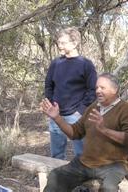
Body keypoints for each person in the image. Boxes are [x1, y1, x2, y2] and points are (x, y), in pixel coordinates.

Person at [40, 73, 128, 192]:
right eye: (97, 87)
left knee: (109, 188)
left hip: (114, 164)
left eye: (102, 88)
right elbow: (74, 132)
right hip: (86, 162)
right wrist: (57, 118)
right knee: (56, 176)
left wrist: (105, 130)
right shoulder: (93, 108)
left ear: (115, 90)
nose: (98, 91)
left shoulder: (126, 109)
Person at [44, 27, 97, 160]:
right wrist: (51, 106)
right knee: (56, 155)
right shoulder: (56, 63)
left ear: (74, 43)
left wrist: (80, 111)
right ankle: (58, 180)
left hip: (76, 116)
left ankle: (82, 180)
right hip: (56, 115)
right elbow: (48, 85)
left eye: (63, 43)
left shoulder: (86, 64)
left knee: (82, 154)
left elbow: (93, 90)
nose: (59, 45)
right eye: (58, 42)